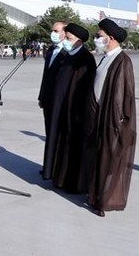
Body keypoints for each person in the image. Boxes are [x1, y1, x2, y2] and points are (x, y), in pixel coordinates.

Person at [88, 19, 136, 216]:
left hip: (112, 120)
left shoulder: (122, 61)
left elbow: (124, 95)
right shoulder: (106, 57)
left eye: (99, 36)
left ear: (111, 38)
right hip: (99, 116)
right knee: (99, 159)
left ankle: (107, 201)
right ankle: (95, 196)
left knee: (110, 160)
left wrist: (119, 121)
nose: (97, 39)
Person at [50, 23, 96, 193]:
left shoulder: (86, 59)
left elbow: (84, 89)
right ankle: (59, 179)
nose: (66, 41)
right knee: (62, 145)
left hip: (76, 112)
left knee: (74, 147)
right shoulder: (68, 55)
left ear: (79, 41)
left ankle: (72, 183)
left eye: (69, 39)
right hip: (62, 109)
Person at [38, 21, 67, 180]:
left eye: (56, 31)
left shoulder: (67, 53)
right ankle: (48, 167)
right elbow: (46, 76)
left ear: (64, 33)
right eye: (52, 31)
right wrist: (41, 96)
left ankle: (56, 169)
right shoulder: (51, 51)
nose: (53, 33)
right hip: (47, 99)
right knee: (49, 134)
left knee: (58, 136)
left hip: (59, 102)